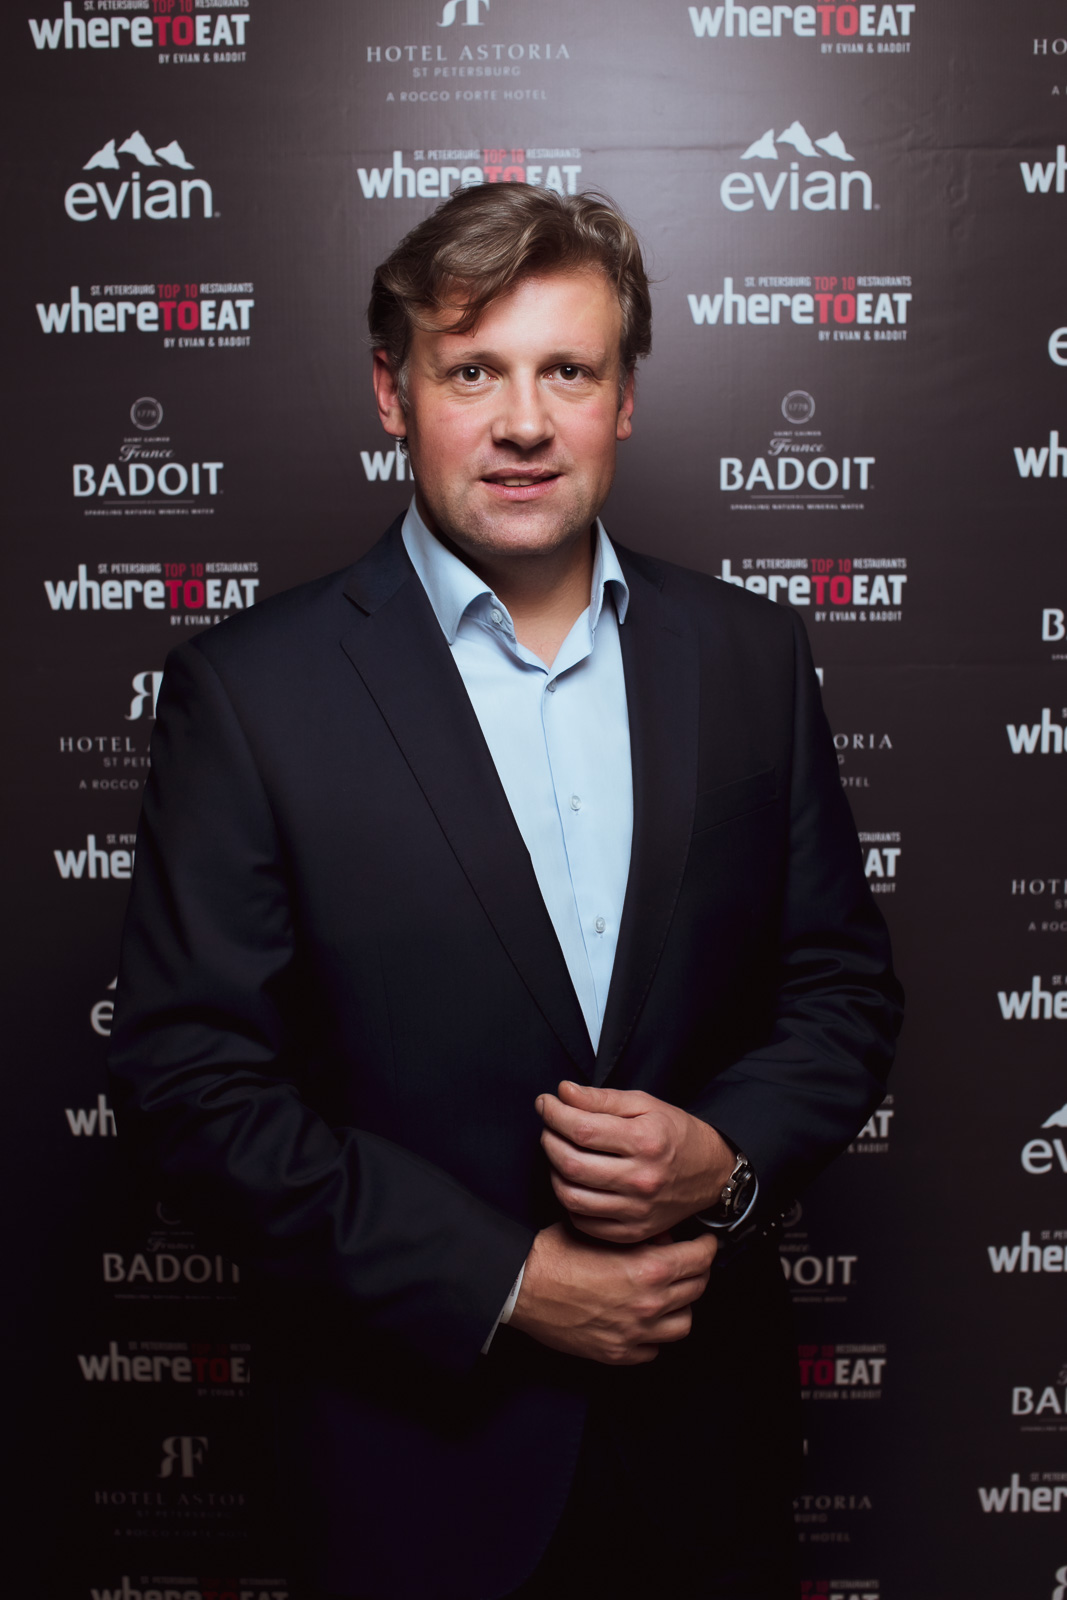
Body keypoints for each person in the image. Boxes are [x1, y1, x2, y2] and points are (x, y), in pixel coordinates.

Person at [109, 183, 902, 1600]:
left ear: (625, 399)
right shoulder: (250, 695)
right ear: (392, 393)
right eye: (473, 370)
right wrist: (505, 1281)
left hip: (704, 1460)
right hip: (409, 1474)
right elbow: (191, 1079)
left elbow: (841, 987)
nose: (524, 422)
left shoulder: (751, 658)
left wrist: (726, 1156)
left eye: (569, 371)